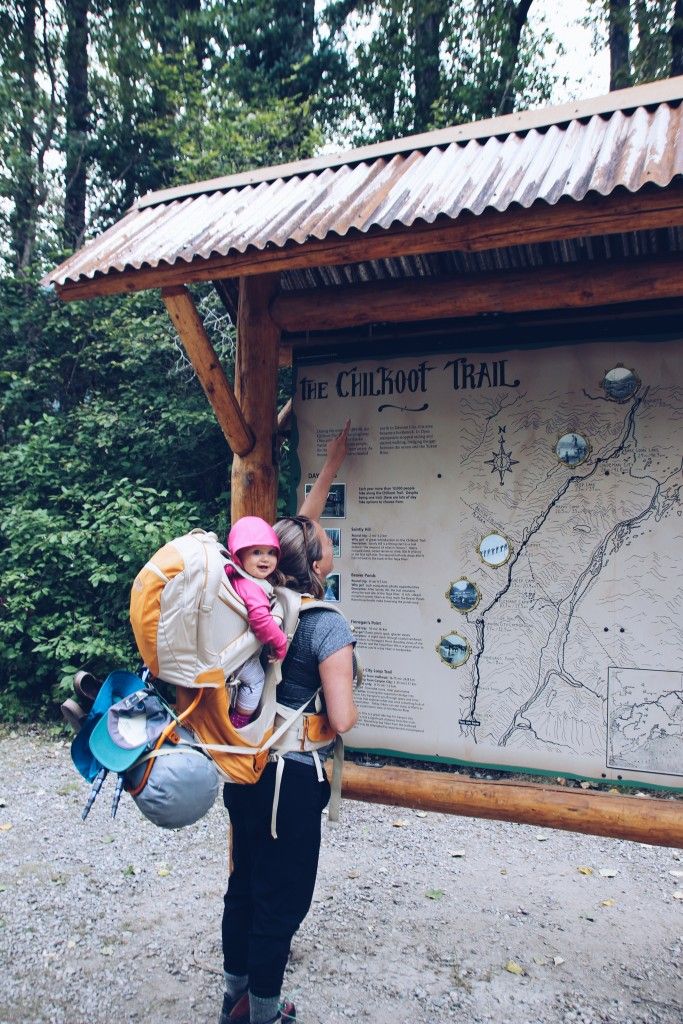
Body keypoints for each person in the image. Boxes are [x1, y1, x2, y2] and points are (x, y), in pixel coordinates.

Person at [219, 421, 357, 1024]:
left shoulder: (256, 598)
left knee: (245, 885)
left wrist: (328, 468)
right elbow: (344, 718)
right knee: (282, 899)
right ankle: (265, 1014)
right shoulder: (327, 622)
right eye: (328, 542)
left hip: (245, 769)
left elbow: (298, 528)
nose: (330, 544)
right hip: (292, 782)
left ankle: (236, 996)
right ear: (319, 561)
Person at [225, 516, 288, 728]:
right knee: (256, 680)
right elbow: (260, 621)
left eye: (271, 552)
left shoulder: (235, 576)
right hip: (236, 656)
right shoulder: (251, 586)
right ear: (238, 554)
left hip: (224, 647)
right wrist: (280, 643)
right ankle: (239, 724)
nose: (266, 559)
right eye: (256, 552)